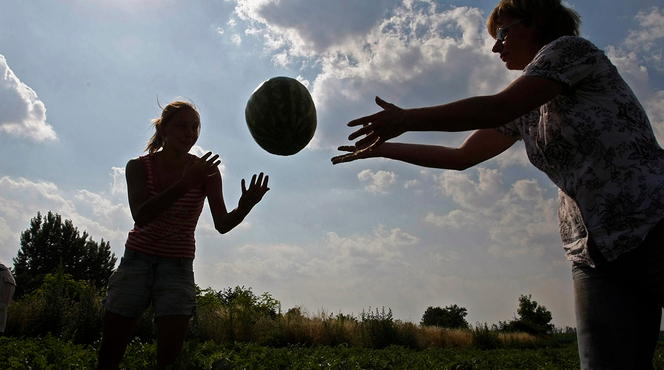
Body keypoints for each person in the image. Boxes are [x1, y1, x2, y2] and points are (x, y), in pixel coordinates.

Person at [333, 0, 664, 368]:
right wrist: (384, 150)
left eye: (503, 33)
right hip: (593, 254)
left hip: (653, 224)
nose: (496, 46)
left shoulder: (571, 52)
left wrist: (407, 117)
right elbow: (461, 157)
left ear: (536, 22)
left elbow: (496, 108)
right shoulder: (526, 108)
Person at [97, 100, 270, 370]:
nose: (190, 133)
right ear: (163, 129)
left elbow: (222, 224)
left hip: (177, 268)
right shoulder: (138, 167)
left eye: (195, 127)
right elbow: (141, 216)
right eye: (182, 126)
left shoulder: (207, 172)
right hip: (136, 262)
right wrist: (185, 183)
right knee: (109, 354)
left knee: (169, 360)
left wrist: (245, 207)